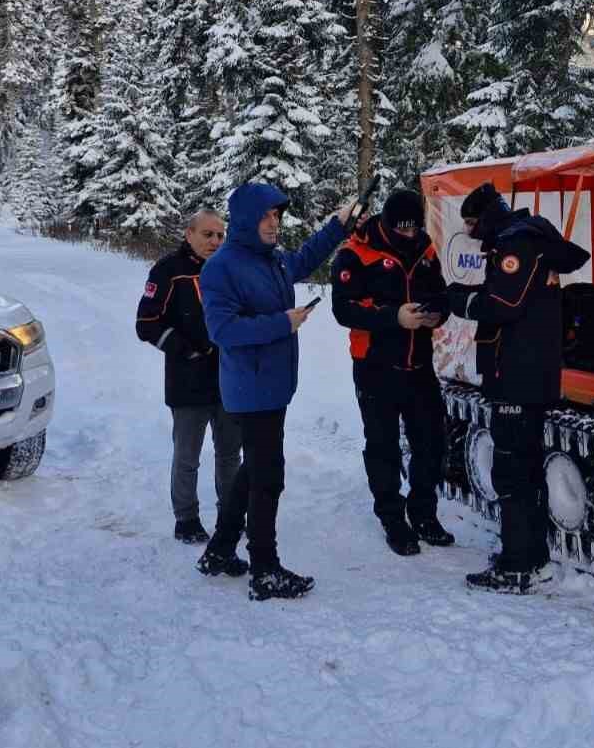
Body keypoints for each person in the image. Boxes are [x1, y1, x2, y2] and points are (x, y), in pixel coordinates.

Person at [195, 183, 353, 601]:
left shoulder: (272, 261)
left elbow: (304, 258)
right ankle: (265, 569)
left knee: (253, 470)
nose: (275, 223)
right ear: (247, 218)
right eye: (267, 216)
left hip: (273, 384)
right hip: (250, 388)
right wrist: (282, 323)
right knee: (268, 476)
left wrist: (338, 226)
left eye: (278, 217)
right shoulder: (222, 267)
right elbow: (222, 330)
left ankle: (220, 550)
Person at [446, 182, 590, 595]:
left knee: (511, 471)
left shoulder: (516, 245)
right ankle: (532, 557)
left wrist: (456, 300)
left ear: (488, 216)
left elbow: (502, 305)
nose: (471, 232)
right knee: (525, 468)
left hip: (517, 375)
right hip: (528, 372)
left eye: (473, 223)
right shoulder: (528, 240)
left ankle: (516, 566)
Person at [331, 188, 453, 556]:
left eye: (414, 228)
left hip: (419, 364)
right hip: (375, 367)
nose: (409, 235)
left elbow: (441, 296)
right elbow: (344, 310)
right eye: (402, 229)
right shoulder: (355, 252)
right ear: (386, 223)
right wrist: (393, 316)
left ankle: (424, 513)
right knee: (383, 446)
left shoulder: (426, 250)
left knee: (431, 442)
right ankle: (392, 518)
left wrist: (436, 314)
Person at [135, 209, 240, 544]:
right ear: (189, 234)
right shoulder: (169, 271)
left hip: (229, 380)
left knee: (229, 454)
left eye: (220, 235)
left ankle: (231, 513)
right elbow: (146, 323)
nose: (215, 241)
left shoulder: (229, 269)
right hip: (187, 381)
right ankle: (187, 518)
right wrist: (187, 349)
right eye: (207, 235)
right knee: (187, 456)